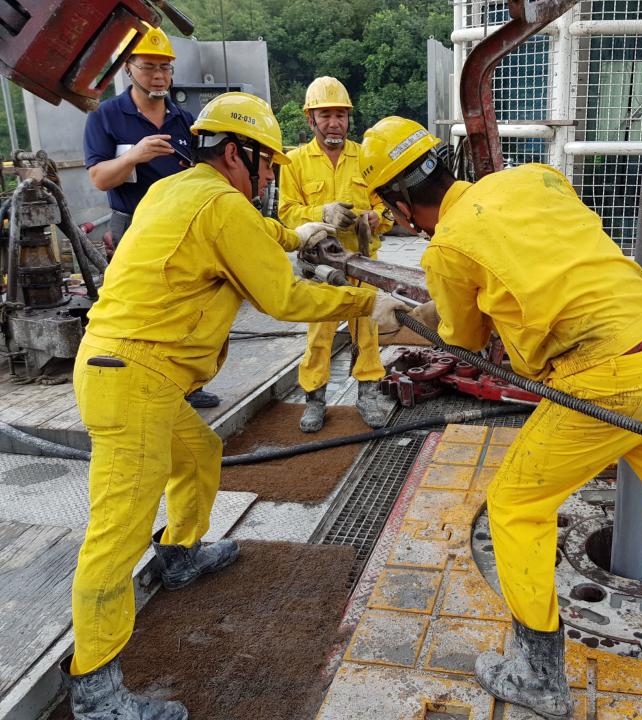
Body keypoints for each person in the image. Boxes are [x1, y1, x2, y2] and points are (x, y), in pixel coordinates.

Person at [359, 117, 642, 720]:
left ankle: (540, 676)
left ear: (398, 202)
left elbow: (463, 337)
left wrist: (409, 314)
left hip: (604, 381)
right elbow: (557, 261)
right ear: (447, 163)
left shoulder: (446, 248)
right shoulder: (535, 178)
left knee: (516, 506)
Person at [62, 93, 408, 720]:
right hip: (133, 377)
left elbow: (250, 232)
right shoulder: (219, 203)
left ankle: (182, 555)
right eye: (265, 165)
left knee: (200, 451)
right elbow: (282, 298)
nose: (270, 176)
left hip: (134, 371)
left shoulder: (177, 190)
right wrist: (365, 305)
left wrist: (298, 231)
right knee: (114, 537)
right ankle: (94, 691)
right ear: (234, 153)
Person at [83, 23, 219, 409]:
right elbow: (97, 178)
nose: (159, 76)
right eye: (149, 67)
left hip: (181, 228)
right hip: (132, 226)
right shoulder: (106, 117)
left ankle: (186, 385)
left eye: (165, 68)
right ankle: (134, 382)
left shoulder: (183, 119)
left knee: (187, 305)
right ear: (129, 67)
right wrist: (133, 155)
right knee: (137, 308)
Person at [279, 76, 395, 431]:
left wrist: (377, 218)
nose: (334, 123)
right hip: (321, 267)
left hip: (363, 264)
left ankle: (368, 394)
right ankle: (314, 400)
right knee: (319, 335)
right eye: (325, 115)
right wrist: (321, 214)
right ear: (310, 119)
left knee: (368, 331)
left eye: (340, 115)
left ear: (348, 119)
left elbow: (387, 206)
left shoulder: (366, 157)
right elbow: (285, 213)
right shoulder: (294, 162)